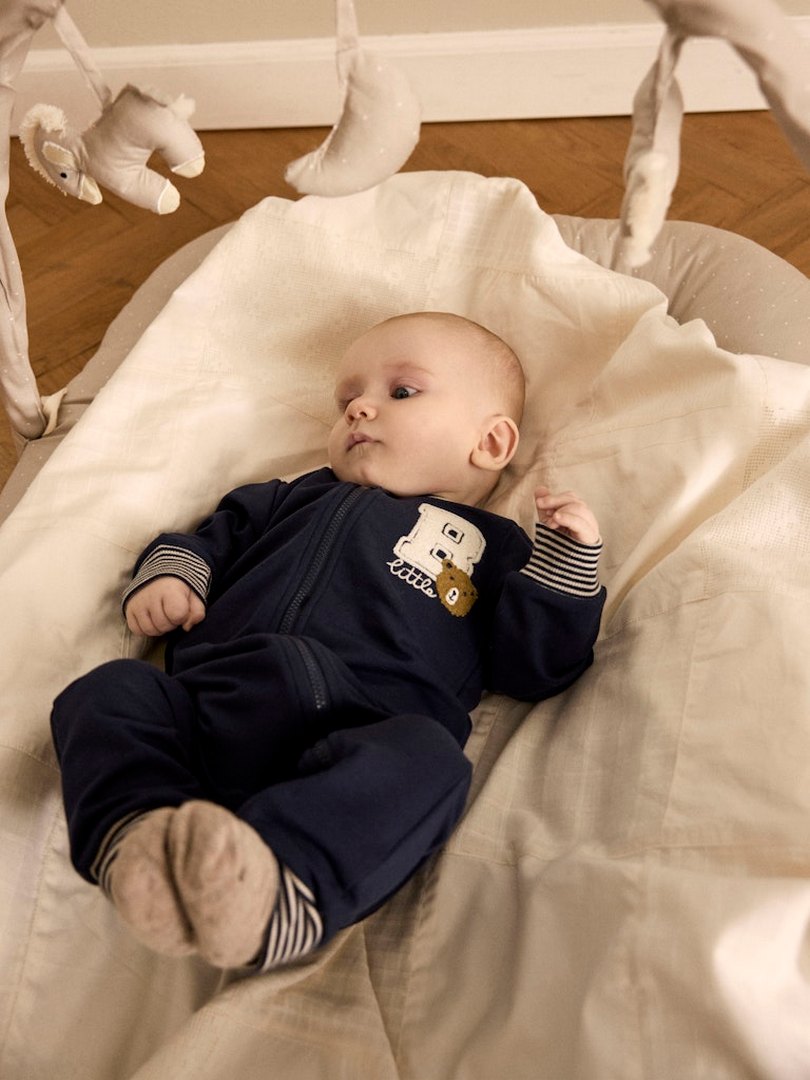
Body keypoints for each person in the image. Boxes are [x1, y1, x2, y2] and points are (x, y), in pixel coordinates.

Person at [51, 311, 605, 973]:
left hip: (369, 721)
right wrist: (175, 574)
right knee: (109, 693)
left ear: (489, 442)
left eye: (402, 392)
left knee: (430, 762)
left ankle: (283, 890)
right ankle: (139, 840)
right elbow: (211, 537)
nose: (359, 409)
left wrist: (566, 569)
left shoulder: (494, 548)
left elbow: (534, 667)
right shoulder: (285, 498)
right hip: (215, 703)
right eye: (347, 402)